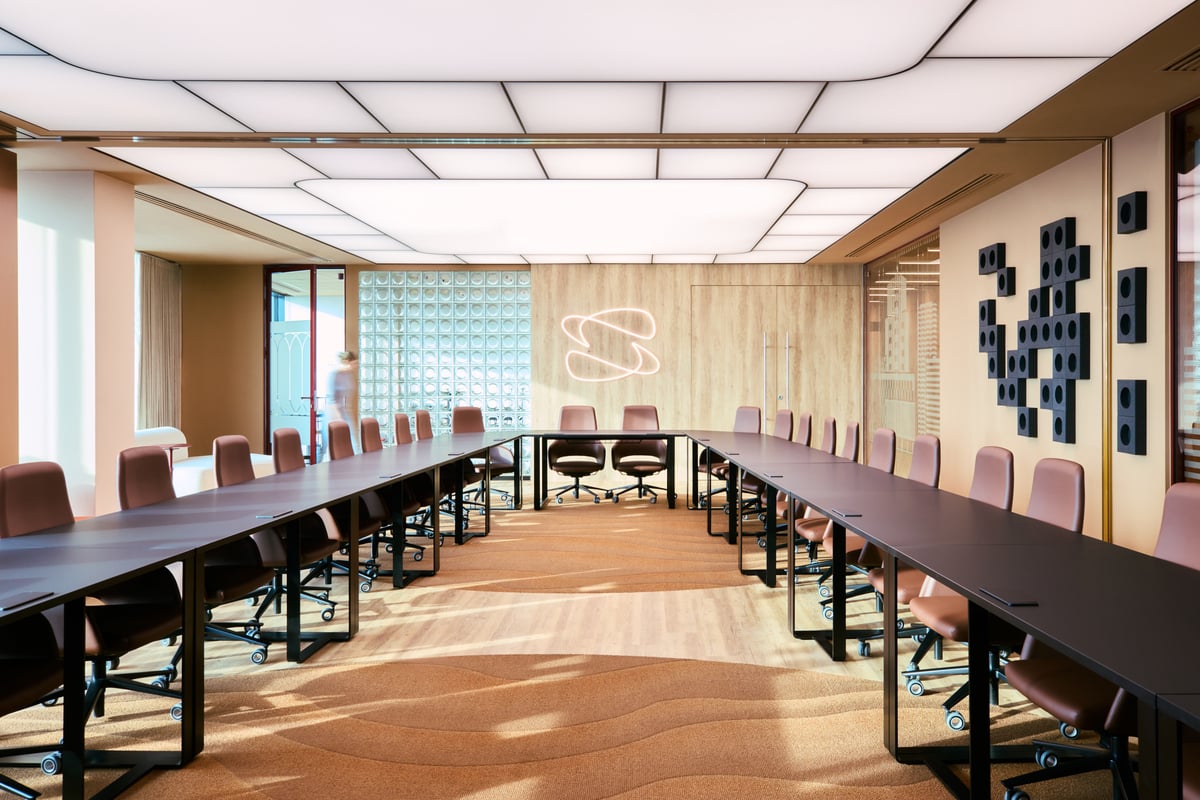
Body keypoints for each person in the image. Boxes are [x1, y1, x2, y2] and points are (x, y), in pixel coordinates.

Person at [325, 351, 359, 454]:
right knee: (329, 445)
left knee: (353, 441)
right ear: (347, 362)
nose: (356, 366)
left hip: (345, 411)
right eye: (354, 363)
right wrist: (337, 416)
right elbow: (331, 398)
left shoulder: (349, 375)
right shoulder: (335, 374)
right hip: (334, 412)